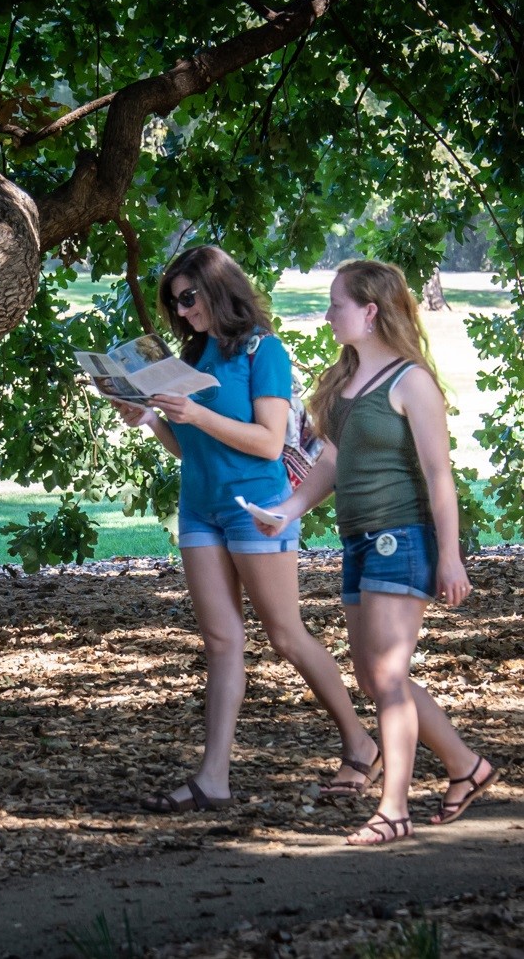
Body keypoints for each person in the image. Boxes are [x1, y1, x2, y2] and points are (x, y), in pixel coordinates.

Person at [113, 245, 378, 813]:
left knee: (284, 635)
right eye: (174, 305)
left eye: (190, 299)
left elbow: (266, 441)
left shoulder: (265, 350)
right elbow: (191, 447)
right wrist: (153, 418)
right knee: (221, 641)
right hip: (200, 507)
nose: (183, 313)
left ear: (217, 289)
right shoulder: (195, 357)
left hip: (257, 507)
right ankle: (213, 779)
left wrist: (197, 413)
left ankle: (360, 742)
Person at [260, 260, 497, 845]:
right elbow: (332, 464)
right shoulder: (344, 386)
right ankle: (467, 766)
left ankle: (394, 810)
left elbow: (440, 476)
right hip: (358, 540)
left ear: (369, 311)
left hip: (404, 536)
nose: (328, 312)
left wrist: (450, 557)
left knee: (388, 674)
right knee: (372, 675)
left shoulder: (410, 381)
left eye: (337, 303)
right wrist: (287, 512)